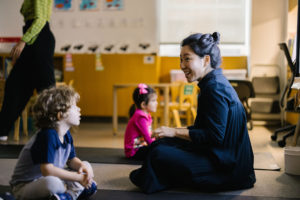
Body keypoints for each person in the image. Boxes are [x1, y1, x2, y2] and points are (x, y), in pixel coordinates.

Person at [129, 32, 256, 193]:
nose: (182, 65)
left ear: (206, 60)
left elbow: (213, 137)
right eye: (181, 59)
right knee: (161, 144)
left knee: (159, 154)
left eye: (187, 59)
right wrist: (172, 133)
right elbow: (205, 128)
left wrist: (175, 131)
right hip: (225, 158)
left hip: (229, 169)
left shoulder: (214, 89)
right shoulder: (214, 83)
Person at [10, 86, 97, 200]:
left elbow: (71, 160)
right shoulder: (47, 135)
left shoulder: (66, 134)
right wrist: (78, 178)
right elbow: (47, 170)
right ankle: (73, 193)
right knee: (53, 183)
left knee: (86, 164)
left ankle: (68, 195)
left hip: (48, 177)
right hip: (25, 186)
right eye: (75, 107)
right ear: (60, 115)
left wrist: (83, 167)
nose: (79, 109)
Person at [0, 0, 56, 142]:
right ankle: (2, 130)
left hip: (39, 39)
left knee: (46, 90)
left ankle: (53, 133)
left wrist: (22, 42)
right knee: (14, 85)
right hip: (32, 39)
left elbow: (41, 20)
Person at [124, 83, 158, 160]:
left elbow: (149, 135)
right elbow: (147, 137)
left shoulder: (146, 115)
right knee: (159, 151)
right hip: (134, 151)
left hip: (141, 146)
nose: (156, 103)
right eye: (153, 101)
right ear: (143, 105)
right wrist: (157, 146)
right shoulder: (140, 117)